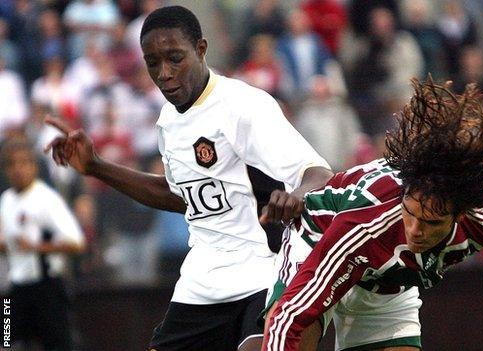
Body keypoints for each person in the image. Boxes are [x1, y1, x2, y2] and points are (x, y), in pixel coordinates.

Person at [45, 5, 332, 351]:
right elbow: (177, 195)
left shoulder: (244, 106)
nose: (164, 73)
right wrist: (96, 167)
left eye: (175, 58)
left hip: (264, 270)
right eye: (153, 63)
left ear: (201, 49)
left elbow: (318, 173)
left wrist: (297, 194)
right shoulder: (169, 121)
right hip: (202, 279)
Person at [262, 79, 483, 351]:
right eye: (411, 213)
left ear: (460, 215)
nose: (415, 230)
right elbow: (291, 316)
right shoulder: (364, 226)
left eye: (431, 222)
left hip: (388, 284)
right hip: (320, 240)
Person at [0, 137, 86, 350]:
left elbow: (76, 243)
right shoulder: (7, 200)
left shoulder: (46, 200)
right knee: (7, 341)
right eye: (11, 164)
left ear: (33, 166)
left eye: (23, 162)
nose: (17, 169)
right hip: (14, 289)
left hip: (46, 287)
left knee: (57, 344)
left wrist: (36, 247)